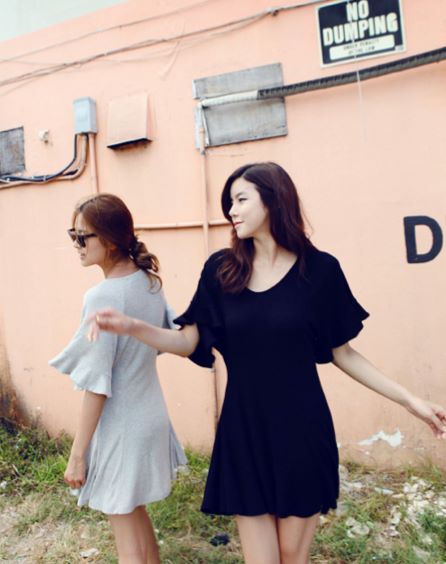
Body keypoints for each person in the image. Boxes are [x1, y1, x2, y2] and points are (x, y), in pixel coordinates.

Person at [87, 163, 446, 564]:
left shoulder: (320, 272)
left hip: (302, 433)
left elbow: (343, 353)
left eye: (241, 199)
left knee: (292, 557)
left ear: (273, 201)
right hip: (244, 432)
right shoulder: (222, 270)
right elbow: (188, 342)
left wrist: (410, 400)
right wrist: (132, 326)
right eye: (230, 202)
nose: (231, 210)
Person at [49, 194, 186, 564]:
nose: (76, 245)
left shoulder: (102, 296)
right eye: (73, 235)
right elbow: (164, 340)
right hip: (150, 416)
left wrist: (77, 455)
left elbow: (97, 385)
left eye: (82, 237)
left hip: (122, 427)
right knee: (135, 518)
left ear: (109, 240)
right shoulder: (149, 282)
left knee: (128, 541)